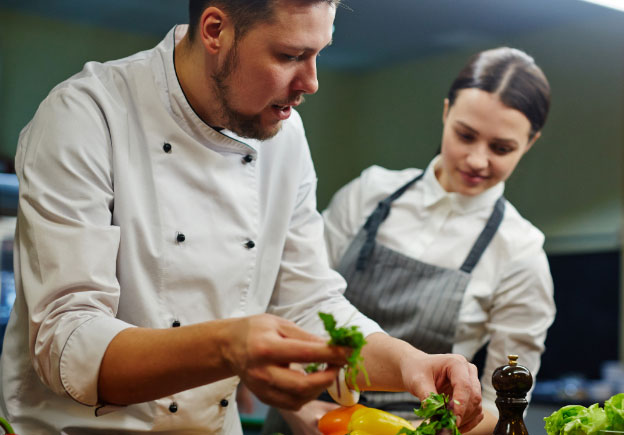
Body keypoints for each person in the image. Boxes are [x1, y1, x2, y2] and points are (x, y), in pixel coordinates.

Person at [0, 0, 484, 433]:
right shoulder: (87, 116)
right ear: (215, 30)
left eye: (319, 53)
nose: (312, 82)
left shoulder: (285, 135)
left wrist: (409, 363)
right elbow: (66, 342)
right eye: (291, 56)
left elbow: (309, 302)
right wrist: (230, 347)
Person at [266, 47, 556, 434]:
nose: (476, 159)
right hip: (304, 411)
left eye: (501, 148)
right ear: (445, 112)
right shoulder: (369, 194)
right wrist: (300, 412)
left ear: (531, 142)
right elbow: (292, 301)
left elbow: (499, 405)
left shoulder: (521, 252)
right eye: (465, 135)